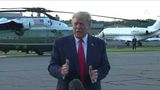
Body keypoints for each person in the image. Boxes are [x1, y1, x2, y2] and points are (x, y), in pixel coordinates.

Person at [48, 11, 110, 90]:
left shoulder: (99, 44)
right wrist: (61, 71)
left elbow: (105, 66)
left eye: (81, 24)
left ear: (88, 26)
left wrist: (97, 74)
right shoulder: (60, 43)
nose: (78, 27)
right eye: (75, 24)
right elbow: (52, 66)